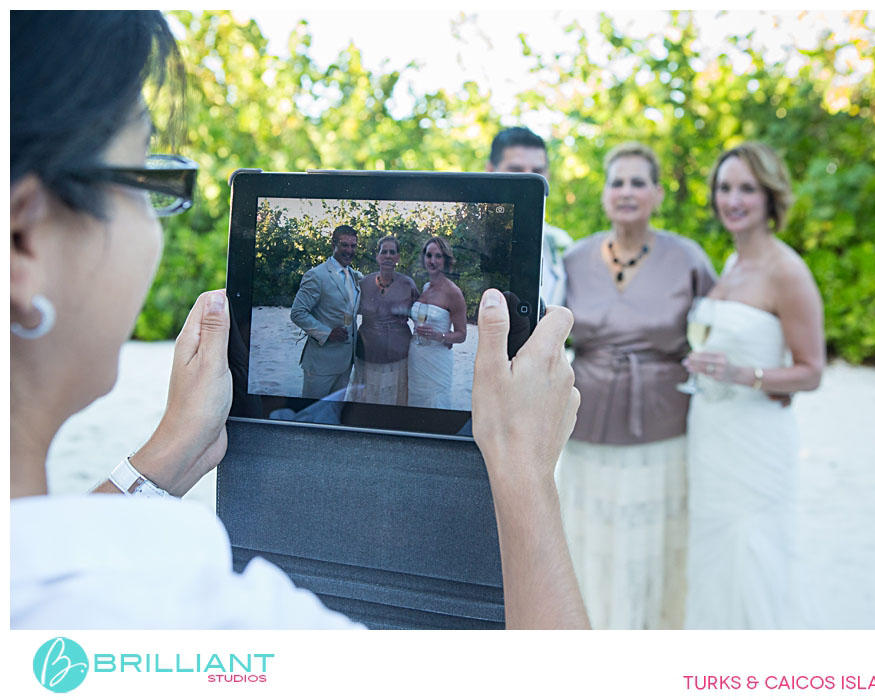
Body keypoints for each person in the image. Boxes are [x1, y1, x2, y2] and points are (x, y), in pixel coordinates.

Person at [10, 10, 588, 630]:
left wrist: (168, 456)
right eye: (148, 178)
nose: (156, 226)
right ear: (24, 242)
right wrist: (526, 470)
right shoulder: (204, 613)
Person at [556, 142, 717, 629]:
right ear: (604, 194)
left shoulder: (687, 256)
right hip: (587, 424)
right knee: (589, 539)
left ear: (657, 193)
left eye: (638, 181)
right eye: (617, 182)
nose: (627, 191)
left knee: (656, 541)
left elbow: (725, 322)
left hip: (664, 426)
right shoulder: (575, 258)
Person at [683, 142, 825, 629]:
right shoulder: (729, 264)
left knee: (753, 555)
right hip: (710, 436)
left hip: (755, 440)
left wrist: (743, 375)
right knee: (715, 557)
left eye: (747, 188)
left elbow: (811, 371)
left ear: (769, 196)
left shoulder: (787, 271)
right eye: (725, 188)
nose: (733, 200)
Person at [486, 126, 571, 307]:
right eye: (516, 170)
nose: (528, 179)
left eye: (537, 171)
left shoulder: (560, 244)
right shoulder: (475, 238)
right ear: (491, 170)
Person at [290, 225, 363, 400]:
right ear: (333, 245)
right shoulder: (316, 275)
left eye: (353, 246)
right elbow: (298, 313)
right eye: (344, 245)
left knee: (333, 414)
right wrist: (328, 333)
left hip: (346, 362)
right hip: (321, 363)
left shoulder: (354, 276)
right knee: (312, 414)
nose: (349, 250)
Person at [346, 235, 419, 405]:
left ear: (398, 257)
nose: (388, 256)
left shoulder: (408, 284)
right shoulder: (363, 283)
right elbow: (346, 311)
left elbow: (421, 316)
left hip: (398, 355)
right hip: (367, 353)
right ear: (377, 256)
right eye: (383, 252)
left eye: (392, 252)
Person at [407, 236, 467, 409]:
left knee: (434, 404)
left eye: (438, 256)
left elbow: (462, 335)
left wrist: (439, 336)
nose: (432, 261)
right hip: (416, 358)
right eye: (428, 255)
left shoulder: (454, 293)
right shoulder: (425, 287)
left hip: (437, 360)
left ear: (446, 259)